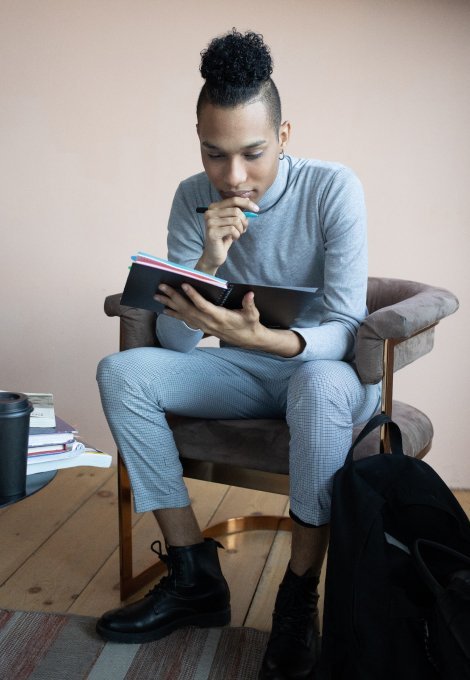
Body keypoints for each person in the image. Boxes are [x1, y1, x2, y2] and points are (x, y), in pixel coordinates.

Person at [96, 29, 381, 680]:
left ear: (284, 136)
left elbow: (347, 326)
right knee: (121, 373)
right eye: (214, 154)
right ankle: (193, 573)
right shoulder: (191, 197)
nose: (232, 176)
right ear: (198, 138)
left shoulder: (333, 188)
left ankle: (298, 596)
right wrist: (206, 262)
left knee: (316, 384)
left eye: (253, 153)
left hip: (327, 375)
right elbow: (176, 343)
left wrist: (266, 338)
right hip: (247, 372)